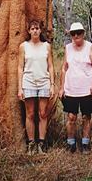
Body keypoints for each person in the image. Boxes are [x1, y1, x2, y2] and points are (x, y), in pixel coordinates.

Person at [59, 22, 92, 153]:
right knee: (71, 117)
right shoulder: (68, 48)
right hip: (71, 89)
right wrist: (61, 88)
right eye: (73, 33)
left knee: (86, 116)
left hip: (86, 89)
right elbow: (64, 68)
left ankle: (85, 143)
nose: (76, 36)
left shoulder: (89, 47)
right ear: (70, 35)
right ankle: (71, 143)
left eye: (79, 33)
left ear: (83, 33)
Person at [18, 19, 55, 154]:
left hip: (44, 82)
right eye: (32, 29)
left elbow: (50, 66)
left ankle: (41, 143)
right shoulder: (24, 46)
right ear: (29, 31)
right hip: (28, 82)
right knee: (30, 114)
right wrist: (19, 88)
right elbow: (20, 67)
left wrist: (52, 85)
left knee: (43, 114)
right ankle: (31, 144)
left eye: (37, 28)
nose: (35, 31)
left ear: (40, 30)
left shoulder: (46, 46)